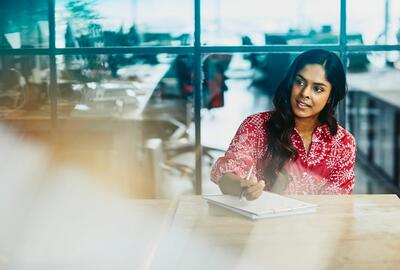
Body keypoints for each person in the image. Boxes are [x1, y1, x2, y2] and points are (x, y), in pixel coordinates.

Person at [210, 49, 356, 200]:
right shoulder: (255, 126)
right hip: (262, 222)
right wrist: (243, 187)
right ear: (290, 83)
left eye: (317, 89)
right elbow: (226, 177)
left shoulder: (343, 143)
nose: (305, 93)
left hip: (317, 222)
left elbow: (337, 205)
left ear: (331, 96)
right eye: (299, 82)